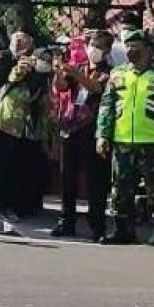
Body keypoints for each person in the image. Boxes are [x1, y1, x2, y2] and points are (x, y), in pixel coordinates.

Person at [96, 29, 154, 247]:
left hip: (153, 143)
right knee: (121, 190)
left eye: (136, 46)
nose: (131, 50)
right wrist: (103, 135)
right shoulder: (118, 74)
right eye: (128, 46)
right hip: (122, 141)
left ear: (149, 50)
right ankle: (122, 231)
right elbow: (106, 107)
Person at [50, 29, 113, 240]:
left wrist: (76, 74)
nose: (93, 49)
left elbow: (96, 88)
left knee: (96, 180)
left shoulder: (109, 72)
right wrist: (59, 71)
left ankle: (97, 226)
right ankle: (66, 221)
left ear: (106, 50)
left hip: (94, 130)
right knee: (67, 178)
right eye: (92, 44)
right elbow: (62, 87)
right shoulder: (78, 67)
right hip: (71, 128)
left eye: (99, 46)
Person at [0, 44, 51, 221]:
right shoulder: (22, 72)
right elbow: (11, 78)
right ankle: (1, 205)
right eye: (41, 60)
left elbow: (44, 107)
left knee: (18, 168)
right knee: (1, 166)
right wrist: (20, 68)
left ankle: (19, 206)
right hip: (6, 123)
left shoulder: (42, 80)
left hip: (27, 130)